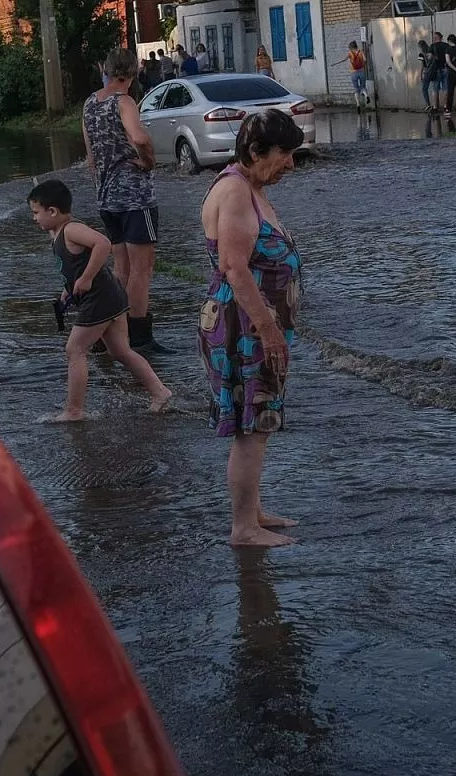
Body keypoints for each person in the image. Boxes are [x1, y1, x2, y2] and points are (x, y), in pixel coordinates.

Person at [198, 110, 304, 547]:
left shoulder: (249, 186)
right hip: (243, 327)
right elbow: (234, 269)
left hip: (250, 324)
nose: (291, 164)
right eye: (285, 154)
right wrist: (269, 330)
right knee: (252, 429)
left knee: (257, 424)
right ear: (257, 151)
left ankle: (253, 510)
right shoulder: (236, 192)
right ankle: (243, 527)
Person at [27, 179, 172, 422]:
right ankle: (160, 392)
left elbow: (103, 243)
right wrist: (69, 289)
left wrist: (86, 278)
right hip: (110, 297)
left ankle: (74, 411)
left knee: (75, 349)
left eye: (35, 212)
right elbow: (74, 264)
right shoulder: (58, 233)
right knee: (121, 351)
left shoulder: (71, 229)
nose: (34, 218)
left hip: (100, 298)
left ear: (52, 211)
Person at [83, 48, 173, 353]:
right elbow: (139, 137)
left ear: (106, 70)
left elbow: (91, 158)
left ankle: (105, 332)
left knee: (120, 268)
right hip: (135, 197)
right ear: (133, 73)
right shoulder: (124, 102)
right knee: (142, 269)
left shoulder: (90, 104)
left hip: (106, 197)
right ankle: (140, 337)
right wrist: (148, 161)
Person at [426, 32, 448, 115]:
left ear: (435, 37)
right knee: (445, 88)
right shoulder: (446, 45)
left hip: (436, 70)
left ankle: (435, 107)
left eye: (434, 37)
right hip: (445, 69)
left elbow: (429, 57)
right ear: (441, 38)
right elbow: (451, 57)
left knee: (435, 89)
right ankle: (445, 106)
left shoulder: (432, 46)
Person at [347, 41, 369, 107]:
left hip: (353, 73)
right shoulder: (361, 52)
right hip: (361, 71)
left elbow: (347, 60)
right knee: (363, 87)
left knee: (356, 89)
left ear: (351, 48)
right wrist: (362, 64)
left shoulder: (350, 53)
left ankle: (358, 104)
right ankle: (366, 96)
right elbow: (365, 60)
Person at [417, 40, 433, 111]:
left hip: (426, 72)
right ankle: (435, 105)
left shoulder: (421, 54)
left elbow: (422, 65)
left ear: (420, 47)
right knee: (435, 89)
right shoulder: (431, 52)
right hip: (434, 71)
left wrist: (420, 75)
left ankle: (428, 105)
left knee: (424, 89)